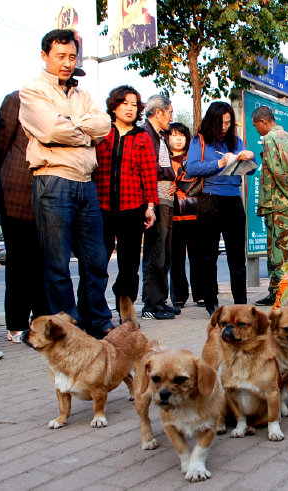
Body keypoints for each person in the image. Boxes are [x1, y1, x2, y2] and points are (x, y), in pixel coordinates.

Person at [19, 29, 114, 338]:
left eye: (72, 57)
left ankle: (98, 322)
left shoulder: (81, 94)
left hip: (86, 182)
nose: (67, 63)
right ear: (45, 56)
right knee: (57, 264)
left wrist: (71, 125)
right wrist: (84, 131)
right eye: (60, 56)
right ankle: (67, 328)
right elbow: (49, 131)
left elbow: (104, 124)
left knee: (96, 260)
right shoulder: (32, 91)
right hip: (52, 181)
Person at [93, 85, 158, 316]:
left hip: (132, 208)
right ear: (114, 106)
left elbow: (149, 173)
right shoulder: (101, 133)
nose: (130, 109)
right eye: (125, 104)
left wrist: (150, 207)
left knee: (129, 265)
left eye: (134, 105)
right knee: (97, 262)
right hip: (101, 208)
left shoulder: (142, 137)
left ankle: (126, 309)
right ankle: (95, 311)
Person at [0, 90, 49, 343]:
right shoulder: (19, 98)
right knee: (18, 262)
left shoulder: (67, 101)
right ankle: (15, 324)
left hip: (50, 194)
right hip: (16, 192)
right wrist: (8, 172)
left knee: (45, 262)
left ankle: (43, 322)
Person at [187, 102, 255, 315]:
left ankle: (241, 302)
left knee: (237, 256)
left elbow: (251, 172)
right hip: (209, 201)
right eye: (221, 122)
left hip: (233, 201)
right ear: (211, 120)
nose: (224, 126)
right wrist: (219, 163)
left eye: (228, 122)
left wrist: (250, 156)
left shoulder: (236, 141)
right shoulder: (200, 140)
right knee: (208, 256)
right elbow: (192, 167)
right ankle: (211, 303)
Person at [250, 106, 288, 306]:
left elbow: (275, 171)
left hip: (279, 207)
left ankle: (276, 294)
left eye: (256, 126)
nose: (257, 130)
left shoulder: (269, 139)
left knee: (277, 253)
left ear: (263, 122)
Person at [140, 95, 178, 320]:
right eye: (170, 113)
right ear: (158, 112)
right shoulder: (146, 134)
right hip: (154, 201)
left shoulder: (160, 136)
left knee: (166, 254)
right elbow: (148, 167)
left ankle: (161, 301)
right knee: (155, 254)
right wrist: (169, 173)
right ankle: (151, 305)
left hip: (166, 200)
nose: (171, 117)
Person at [168, 122, 204, 308]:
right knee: (176, 259)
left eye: (182, 135)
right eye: (174, 135)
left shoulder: (192, 159)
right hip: (172, 216)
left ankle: (200, 294)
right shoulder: (163, 159)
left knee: (197, 257)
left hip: (194, 214)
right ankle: (179, 296)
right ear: (167, 138)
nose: (179, 138)